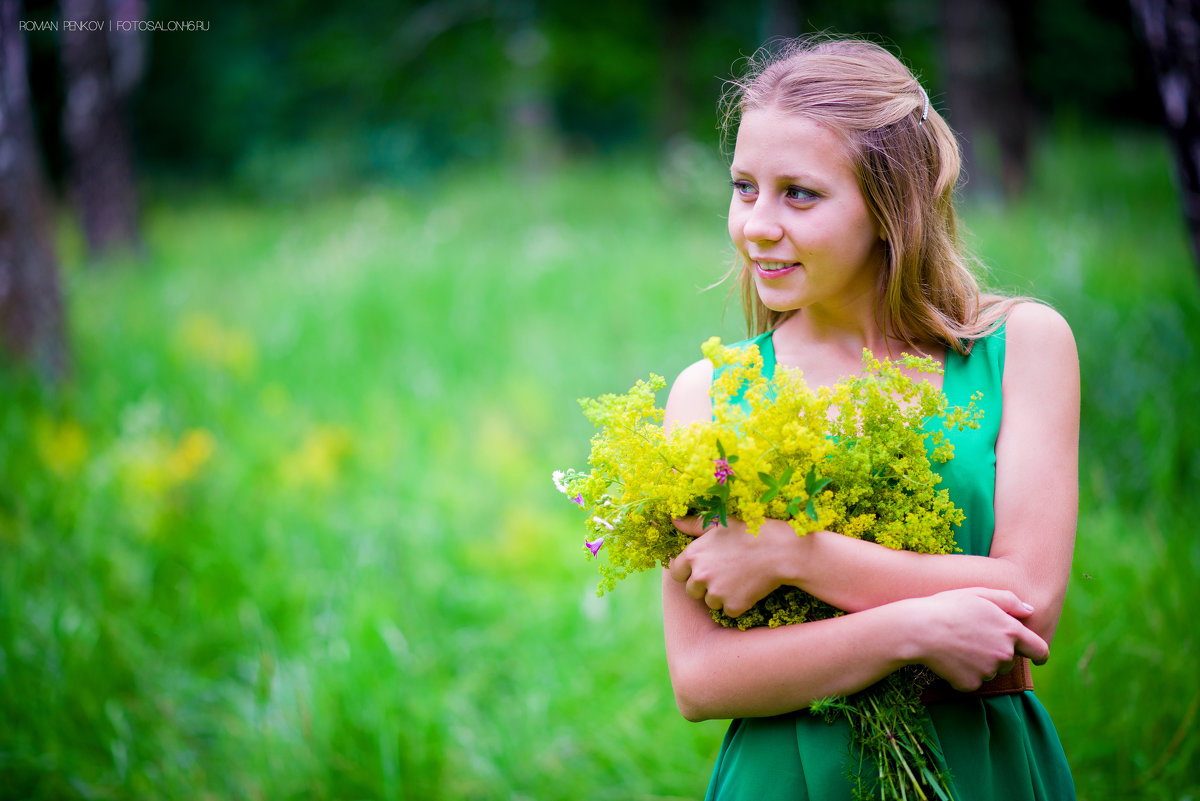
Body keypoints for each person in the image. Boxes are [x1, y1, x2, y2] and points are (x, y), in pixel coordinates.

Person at [661, 37, 1078, 800]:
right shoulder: (708, 395)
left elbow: (1026, 603)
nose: (756, 225)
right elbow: (701, 677)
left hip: (980, 766)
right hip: (785, 775)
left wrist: (793, 553)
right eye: (744, 186)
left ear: (892, 207)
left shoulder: (1020, 347)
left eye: (800, 194)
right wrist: (914, 629)